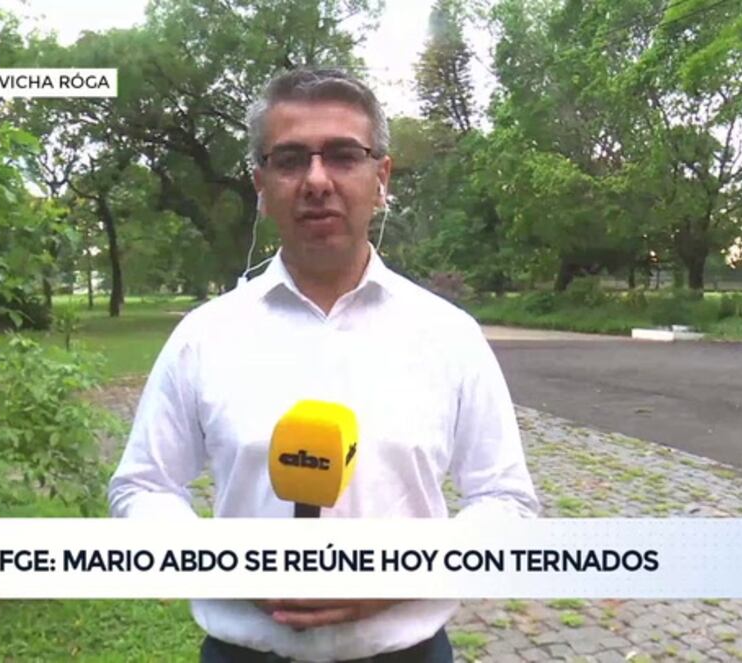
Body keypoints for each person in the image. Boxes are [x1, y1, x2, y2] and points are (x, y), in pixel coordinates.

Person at [108, 67, 539, 663]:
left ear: (381, 178)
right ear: (261, 186)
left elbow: (506, 500)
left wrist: (400, 576)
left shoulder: (449, 335)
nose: (316, 180)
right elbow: (143, 486)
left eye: (342, 155)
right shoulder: (204, 337)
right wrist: (225, 566)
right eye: (289, 160)